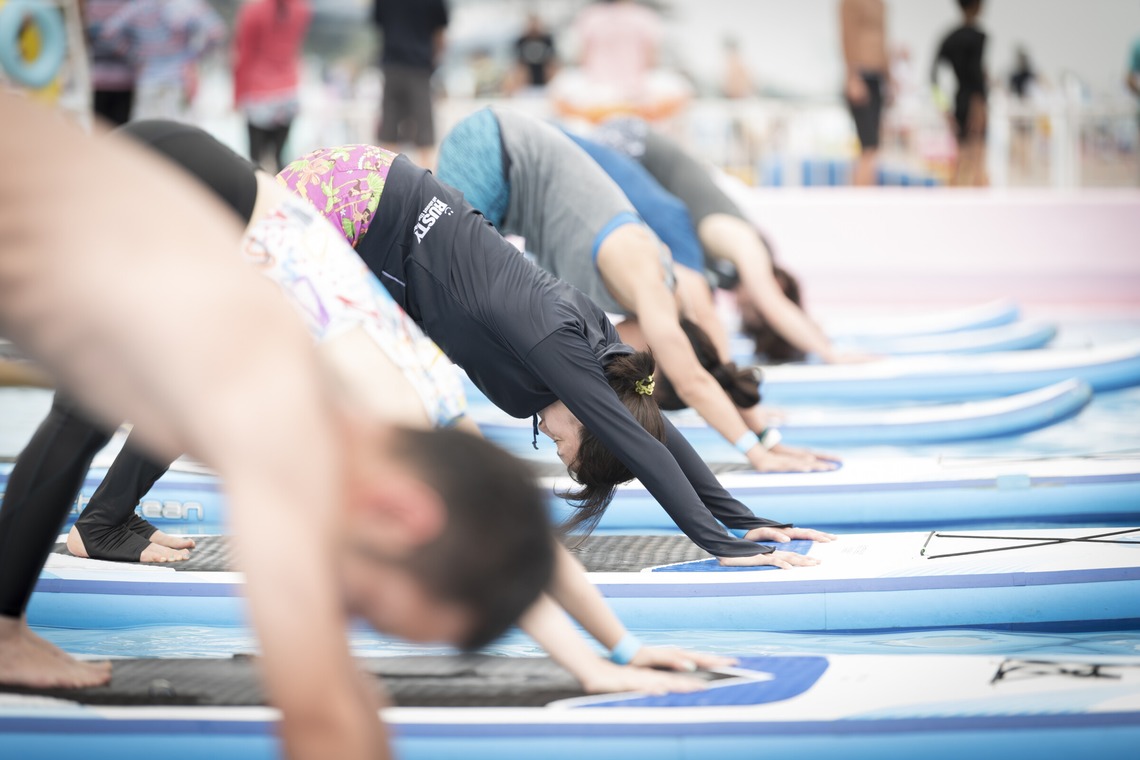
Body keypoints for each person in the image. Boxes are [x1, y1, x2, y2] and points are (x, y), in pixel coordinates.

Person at [30, 123, 736, 701]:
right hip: (213, 192)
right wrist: (711, 552)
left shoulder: (437, 414)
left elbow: (521, 550)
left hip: (230, 191)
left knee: (151, 386)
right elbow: (507, 551)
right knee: (99, 397)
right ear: (419, 515)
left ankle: (100, 522)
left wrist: (618, 649)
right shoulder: (405, 414)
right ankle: (90, 533)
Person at [0, 92, 545, 759]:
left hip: (144, 186)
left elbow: (336, 692)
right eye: (369, 606)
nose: (344, 619)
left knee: (84, 412)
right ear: (403, 512)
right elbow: (317, 719)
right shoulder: (283, 421)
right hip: (137, 182)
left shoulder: (332, 409)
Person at [281, 139, 837, 562]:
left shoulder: (594, 346)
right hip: (357, 201)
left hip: (377, 196)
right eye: (567, 447)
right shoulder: (557, 348)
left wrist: (747, 520)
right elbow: (639, 445)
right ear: (586, 420)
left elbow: (654, 429)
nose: (551, 442)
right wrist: (724, 544)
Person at [437, 108, 834, 473]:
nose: (624, 359)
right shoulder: (655, 285)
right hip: (496, 145)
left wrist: (767, 436)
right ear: (665, 348)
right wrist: (756, 452)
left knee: (452, 303)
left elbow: (719, 373)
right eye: (643, 364)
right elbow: (698, 380)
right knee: (439, 292)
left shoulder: (670, 302)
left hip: (506, 188)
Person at [590, 117, 866, 365]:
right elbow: (771, 301)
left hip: (629, 155)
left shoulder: (722, 270)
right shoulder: (742, 239)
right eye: (751, 308)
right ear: (778, 283)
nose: (740, 304)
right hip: (631, 143)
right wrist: (829, 352)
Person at [97, 0, 225, 121]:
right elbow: (216, 32)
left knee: (146, 135)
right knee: (178, 134)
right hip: (179, 80)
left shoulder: (139, 6)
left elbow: (108, 32)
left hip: (148, 78)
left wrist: (134, 56)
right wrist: (193, 57)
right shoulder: (186, 5)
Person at [233, 0, 312, 172]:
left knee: (255, 164)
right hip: (289, 94)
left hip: (259, 96)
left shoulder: (253, 11)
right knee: (281, 162)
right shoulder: (301, 9)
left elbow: (244, 57)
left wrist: (237, 96)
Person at [371, 0, 448, 169]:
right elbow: (440, 34)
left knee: (388, 131)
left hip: (392, 66)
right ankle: (429, 185)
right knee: (425, 133)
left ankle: (385, 180)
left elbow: (378, 24)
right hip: (420, 68)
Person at [932, 0, 988, 187]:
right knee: (977, 163)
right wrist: (978, 105)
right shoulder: (977, 36)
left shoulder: (949, 37)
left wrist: (944, 109)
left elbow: (933, 77)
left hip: (959, 101)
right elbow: (975, 75)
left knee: (960, 161)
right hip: (974, 103)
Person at [839, 0, 890, 186]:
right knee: (868, 147)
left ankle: (867, 194)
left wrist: (889, 79)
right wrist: (852, 76)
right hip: (860, 75)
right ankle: (862, 198)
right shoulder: (851, 3)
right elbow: (847, 34)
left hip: (878, 77)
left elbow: (883, 38)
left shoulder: (881, 5)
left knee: (874, 147)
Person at [574, 0, 662, 101]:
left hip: (597, 92)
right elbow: (651, 60)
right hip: (635, 93)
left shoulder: (591, 16)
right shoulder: (646, 17)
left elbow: (583, 57)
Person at [84, 0, 136, 125]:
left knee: (100, 131)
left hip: (101, 77)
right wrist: (128, 52)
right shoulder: (128, 5)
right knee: (121, 133)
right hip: (121, 78)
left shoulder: (92, 4)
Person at [507, 12, 558, 95]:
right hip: (526, 85)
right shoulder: (521, 41)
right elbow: (518, 65)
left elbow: (552, 63)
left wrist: (553, 83)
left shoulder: (547, 40)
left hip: (544, 83)